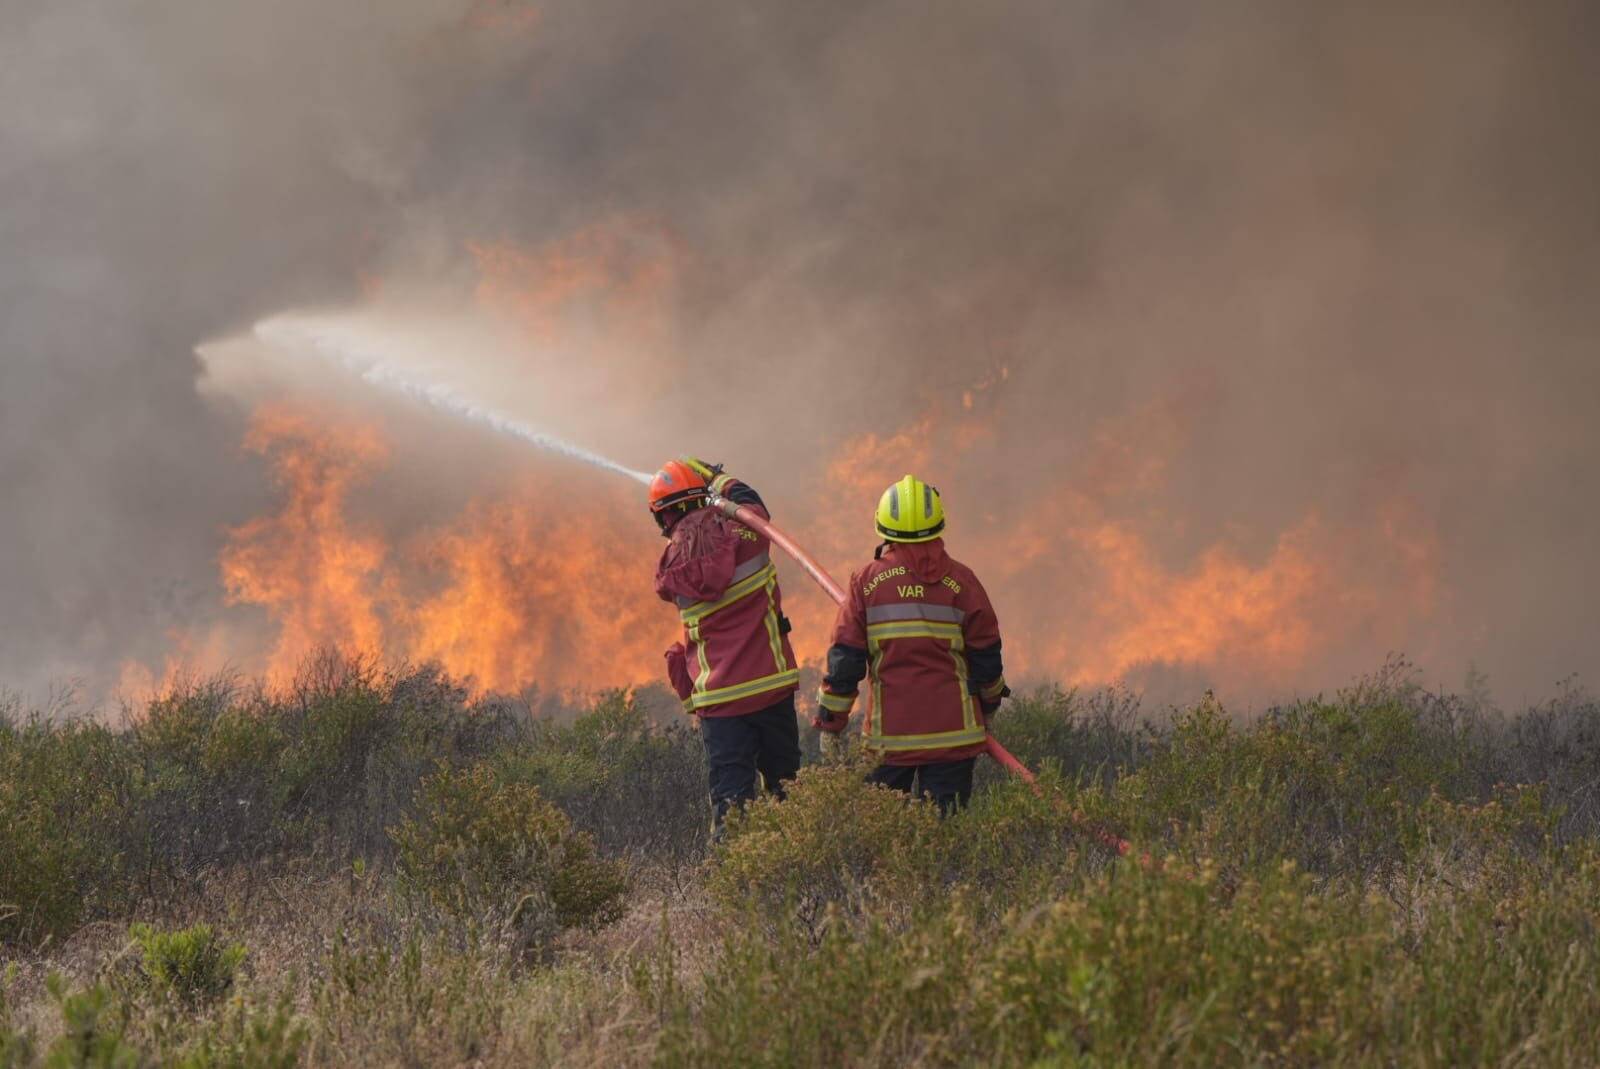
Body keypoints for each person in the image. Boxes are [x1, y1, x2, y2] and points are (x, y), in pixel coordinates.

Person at [813, 474, 1008, 814]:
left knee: (886, 844)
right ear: (939, 525)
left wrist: (832, 723)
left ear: (883, 528)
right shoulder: (963, 582)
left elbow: (845, 661)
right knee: (946, 842)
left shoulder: (866, 582)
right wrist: (988, 709)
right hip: (955, 739)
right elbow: (987, 655)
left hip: (889, 743)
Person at [651, 456, 802, 832]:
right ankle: (799, 871)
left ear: (663, 517)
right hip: (771, 686)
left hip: (721, 702)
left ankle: (732, 882)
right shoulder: (750, 532)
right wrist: (718, 478)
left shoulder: (669, 566)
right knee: (787, 791)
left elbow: (674, 581)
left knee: (731, 803)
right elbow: (751, 501)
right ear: (702, 497)